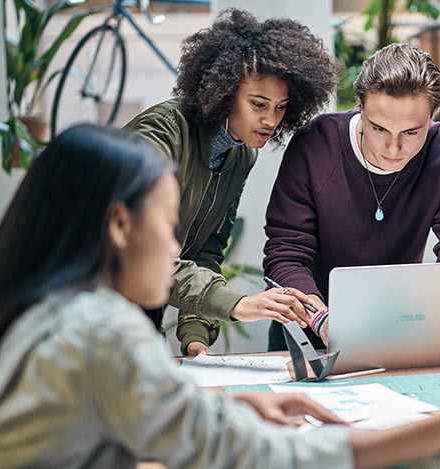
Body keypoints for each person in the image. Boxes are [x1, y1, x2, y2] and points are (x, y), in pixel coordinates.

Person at [0, 125, 440, 468]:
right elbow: (252, 456)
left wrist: (237, 403)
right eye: (169, 222)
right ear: (119, 224)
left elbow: (129, 409)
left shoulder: (49, 310)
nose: (177, 244)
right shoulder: (101, 329)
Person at [263, 43, 440, 353]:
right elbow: (285, 253)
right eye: (378, 128)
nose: (393, 148)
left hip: (400, 332)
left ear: (434, 115)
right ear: (360, 105)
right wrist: (321, 319)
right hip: (309, 333)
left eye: (412, 132)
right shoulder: (314, 145)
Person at [125, 8, 336, 356]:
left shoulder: (240, 155)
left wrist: (195, 337)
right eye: (258, 104)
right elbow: (137, 245)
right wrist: (238, 304)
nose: (270, 120)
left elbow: (206, 250)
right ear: (223, 91)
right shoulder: (162, 133)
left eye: (281, 108)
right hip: (93, 304)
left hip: (146, 306)